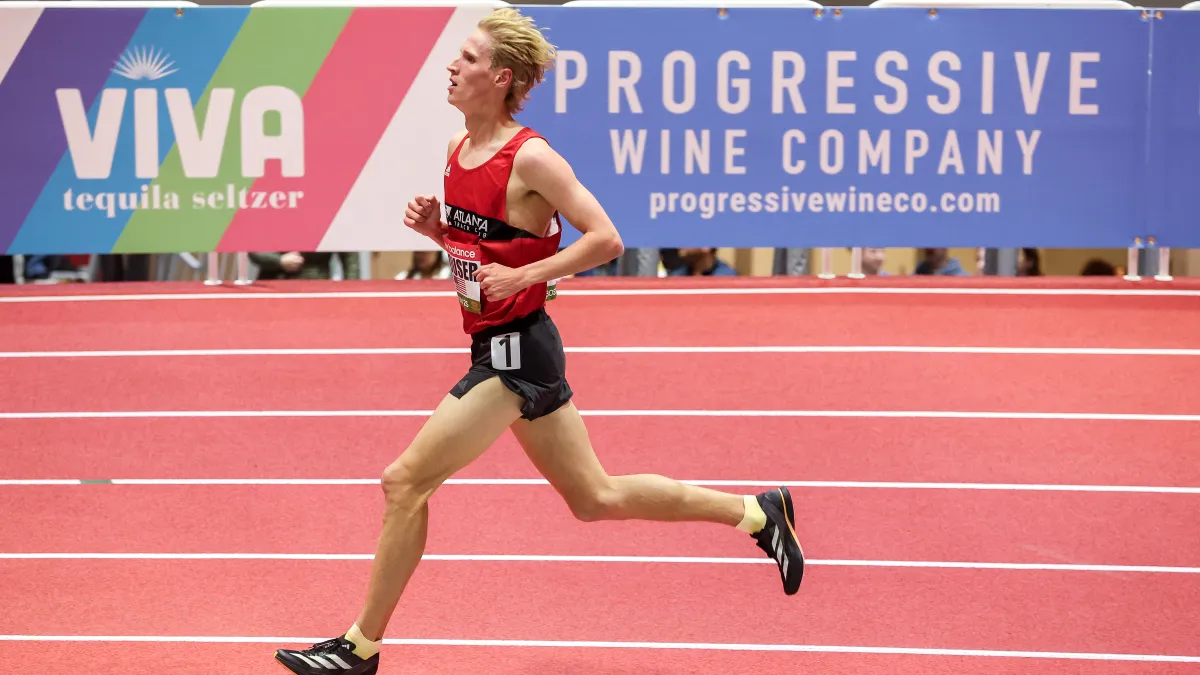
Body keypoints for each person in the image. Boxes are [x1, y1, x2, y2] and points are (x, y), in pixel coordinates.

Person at [274, 9, 805, 674]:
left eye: (466, 58)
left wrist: (529, 274)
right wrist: (440, 234)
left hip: (516, 352)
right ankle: (756, 512)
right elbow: (485, 253)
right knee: (596, 498)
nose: (451, 66)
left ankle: (360, 646)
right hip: (501, 343)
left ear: (499, 78)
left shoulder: (530, 156)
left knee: (404, 481)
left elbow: (606, 237)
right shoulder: (455, 151)